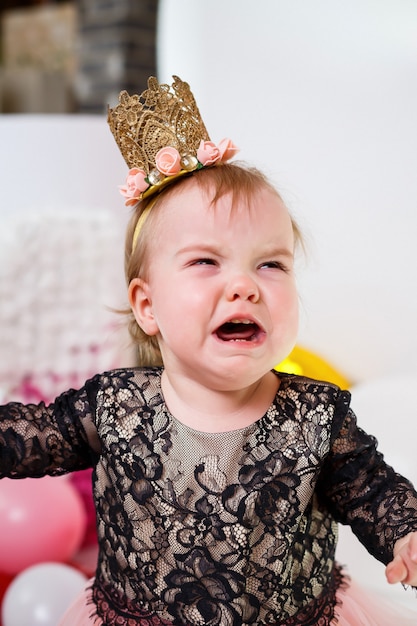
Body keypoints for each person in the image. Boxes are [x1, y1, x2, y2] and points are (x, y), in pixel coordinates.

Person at [1, 76, 417, 626]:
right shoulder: (116, 407)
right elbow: (35, 436)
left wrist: (406, 532)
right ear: (147, 306)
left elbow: (370, 488)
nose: (245, 285)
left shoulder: (315, 418)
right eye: (205, 262)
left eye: (270, 263)